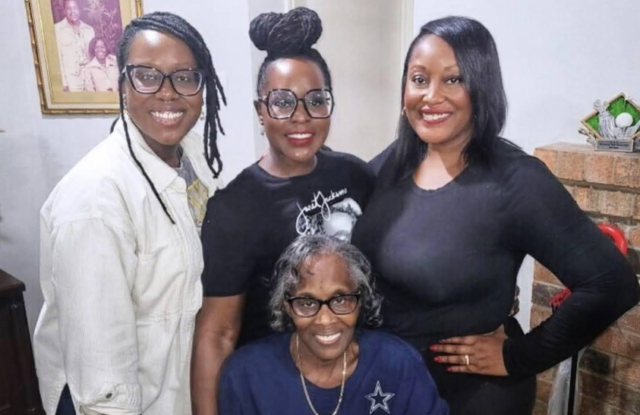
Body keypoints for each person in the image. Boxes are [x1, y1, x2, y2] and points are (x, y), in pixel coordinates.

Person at [351, 16, 640, 415]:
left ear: (481, 85)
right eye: (419, 79)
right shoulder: (392, 163)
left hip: (465, 395)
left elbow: (612, 284)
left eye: (453, 80)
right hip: (386, 385)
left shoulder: (517, 180)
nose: (431, 96)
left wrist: (519, 356)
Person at [34, 11, 226, 415]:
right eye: (147, 75)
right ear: (122, 84)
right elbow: (102, 380)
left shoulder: (189, 156)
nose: (168, 93)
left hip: (173, 391)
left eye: (185, 76)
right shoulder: (93, 203)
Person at [192, 8, 375, 415]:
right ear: (260, 111)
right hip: (277, 385)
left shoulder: (356, 175)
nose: (301, 117)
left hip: (355, 375)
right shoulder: (234, 207)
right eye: (282, 102)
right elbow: (218, 332)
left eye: (316, 100)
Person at [218, 235, 449, 415]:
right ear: (286, 306)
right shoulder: (246, 374)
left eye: (340, 300)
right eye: (307, 302)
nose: (325, 319)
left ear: (360, 300)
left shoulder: (398, 364)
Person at [54, 0, 95, 92]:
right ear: (64, 11)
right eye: (69, 8)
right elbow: (58, 58)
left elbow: (93, 56)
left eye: (75, 8)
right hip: (72, 79)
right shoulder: (57, 29)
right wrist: (64, 83)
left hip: (89, 77)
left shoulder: (89, 30)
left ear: (79, 9)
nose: (72, 11)